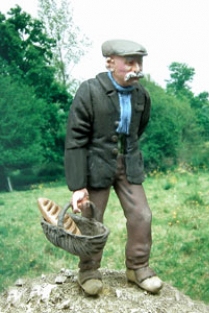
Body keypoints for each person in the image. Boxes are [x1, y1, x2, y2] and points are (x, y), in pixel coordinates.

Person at [64, 39, 163, 296]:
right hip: (95, 164)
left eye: (139, 61)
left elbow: (137, 129)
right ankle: (88, 270)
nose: (136, 67)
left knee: (142, 215)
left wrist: (124, 150)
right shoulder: (90, 91)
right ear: (110, 62)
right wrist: (77, 186)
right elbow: (75, 140)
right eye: (129, 61)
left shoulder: (142, 95)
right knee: (91, 218)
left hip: (128, 163)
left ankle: (138, 267)